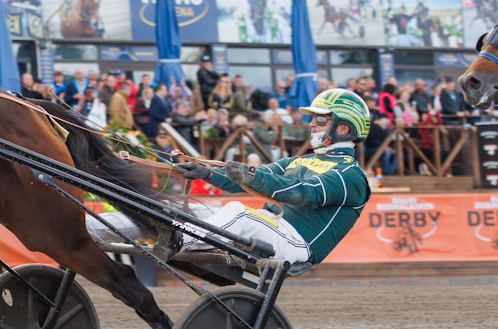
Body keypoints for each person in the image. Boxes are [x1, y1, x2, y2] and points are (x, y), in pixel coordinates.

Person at [87, 89, 372, 267]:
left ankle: (178, 240)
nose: (311, 124)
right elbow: (255, 177)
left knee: (238, 212)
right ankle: (89, 228)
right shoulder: (301, 160)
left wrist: (250, 176)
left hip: (296, 245)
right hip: (272, 228)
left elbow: (301, 192)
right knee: (186, 209)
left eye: (320, 120)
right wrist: (206, 172)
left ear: (344, 128)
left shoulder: (350, 175)